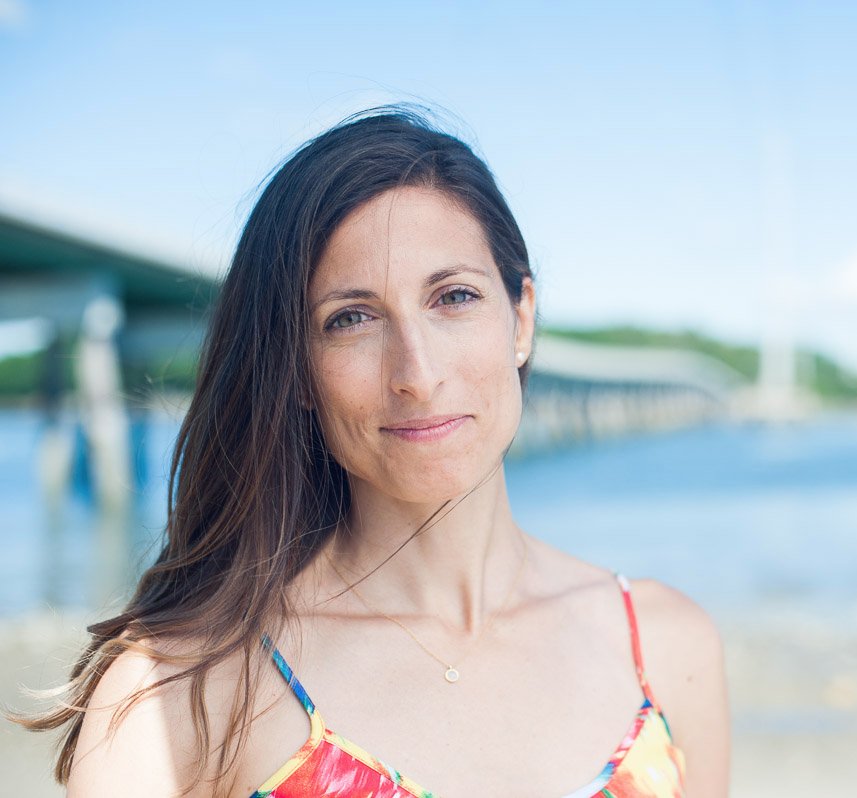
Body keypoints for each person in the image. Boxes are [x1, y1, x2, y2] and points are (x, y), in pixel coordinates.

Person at [15, 106, 730, 797]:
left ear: (521, 321)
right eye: (351, 319)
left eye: (453, 297)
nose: (416, 375)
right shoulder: (177, 697)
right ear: (294, 369)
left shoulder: (666, 649)